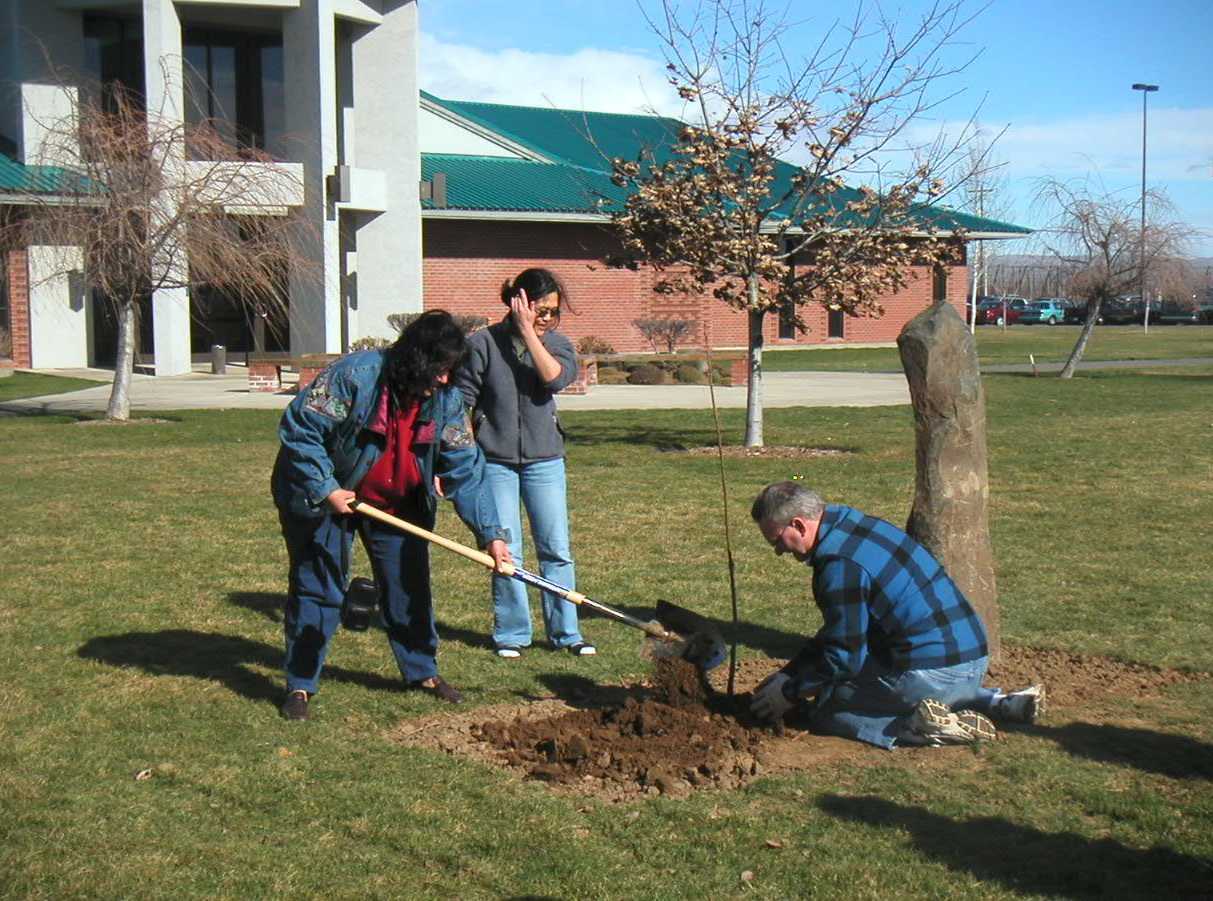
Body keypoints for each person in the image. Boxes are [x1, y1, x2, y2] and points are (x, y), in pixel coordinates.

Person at [271, 311, 512, 721]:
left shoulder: (447, 400)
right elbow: (300, 432)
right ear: (416, 360)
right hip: (324, 494)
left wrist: (492, 534)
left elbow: (465, 470)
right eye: (439, 370)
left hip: (396, 500)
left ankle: (422, 672)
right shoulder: (353, 377)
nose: (445, 380)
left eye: (451, 372)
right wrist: (326, 488)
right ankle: (301, 682)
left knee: (408, 586)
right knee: (320, 586)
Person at [748, 481, 1045, 748]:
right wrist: (789, 672)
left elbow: (844, 657)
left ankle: (917, 727)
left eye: (777, 541)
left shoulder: (838, 566)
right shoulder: (857, 526)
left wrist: (790, 692)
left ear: (799, 525)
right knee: (847, 677)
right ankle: (1000, 703)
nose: (778, 552)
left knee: (829, 705)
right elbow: (843, 631)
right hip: (973, 660)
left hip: (932, 674)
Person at [454, 268, 595, 659]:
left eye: (554, 312)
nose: (548, 318)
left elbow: (554, 379)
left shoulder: (559, 345)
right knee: (505, 550)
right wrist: (456, 458)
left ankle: (566, 633)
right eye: (541, 310)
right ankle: (512, 634)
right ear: (518, 302)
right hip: (494, 462)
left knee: (556, 549)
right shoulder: (482, 344)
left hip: (545, 461)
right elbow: (461, 403)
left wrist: (530, 332)